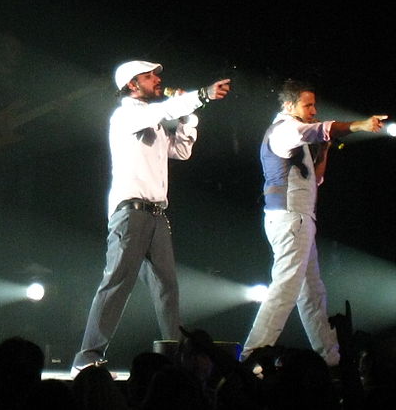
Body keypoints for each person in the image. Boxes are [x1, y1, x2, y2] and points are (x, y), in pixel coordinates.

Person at [71, 60, 230, 376]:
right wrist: (203, 95)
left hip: (156, 216)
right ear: (132, 85)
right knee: (116, 283)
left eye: (157, 75)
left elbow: (181, 151)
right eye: (149, 76)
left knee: (167, 288)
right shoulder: (127, 114)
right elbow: (161, 112)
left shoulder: (153, 121)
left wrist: (188, 118)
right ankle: (86, 359)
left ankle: (174, 357)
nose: (157, 79)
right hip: (130, 214)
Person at [241, 79, 386, 366]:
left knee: (312, 293)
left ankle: (331, 358)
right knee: (286, 288)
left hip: (300, 219)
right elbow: (317, 128)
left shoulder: (297, 137)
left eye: (314, 105)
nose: (313, 109)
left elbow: (314, 179)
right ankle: (252, 357)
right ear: (288, 105)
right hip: (290, 218)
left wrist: (326, 150)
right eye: (307, 104)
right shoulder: (285, 129)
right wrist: (359, 125)